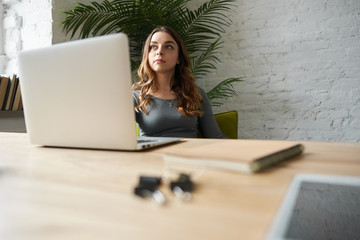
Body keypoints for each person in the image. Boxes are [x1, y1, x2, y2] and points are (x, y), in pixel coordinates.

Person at [132, 26, 227, 139]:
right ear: (147, 56)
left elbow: (215, 137)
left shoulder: (195, 94)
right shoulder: (136, 97)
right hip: (154, 156)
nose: (159, 52)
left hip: (190, 155)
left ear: (179, 58)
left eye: (168, 46)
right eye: (153, 46)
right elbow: (119, 138)